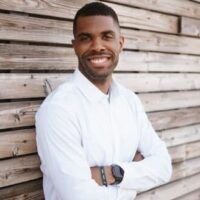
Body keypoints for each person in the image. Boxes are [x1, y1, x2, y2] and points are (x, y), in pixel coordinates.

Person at [35, 2, 172, 200]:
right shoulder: (58, 110)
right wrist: (136, 172)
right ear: (75, 47)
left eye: (107, 36)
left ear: (120, 43)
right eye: (86, 38)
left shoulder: (130, 101)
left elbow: (163, 167)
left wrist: (109, 174)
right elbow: (78, 195)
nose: (98, 46)